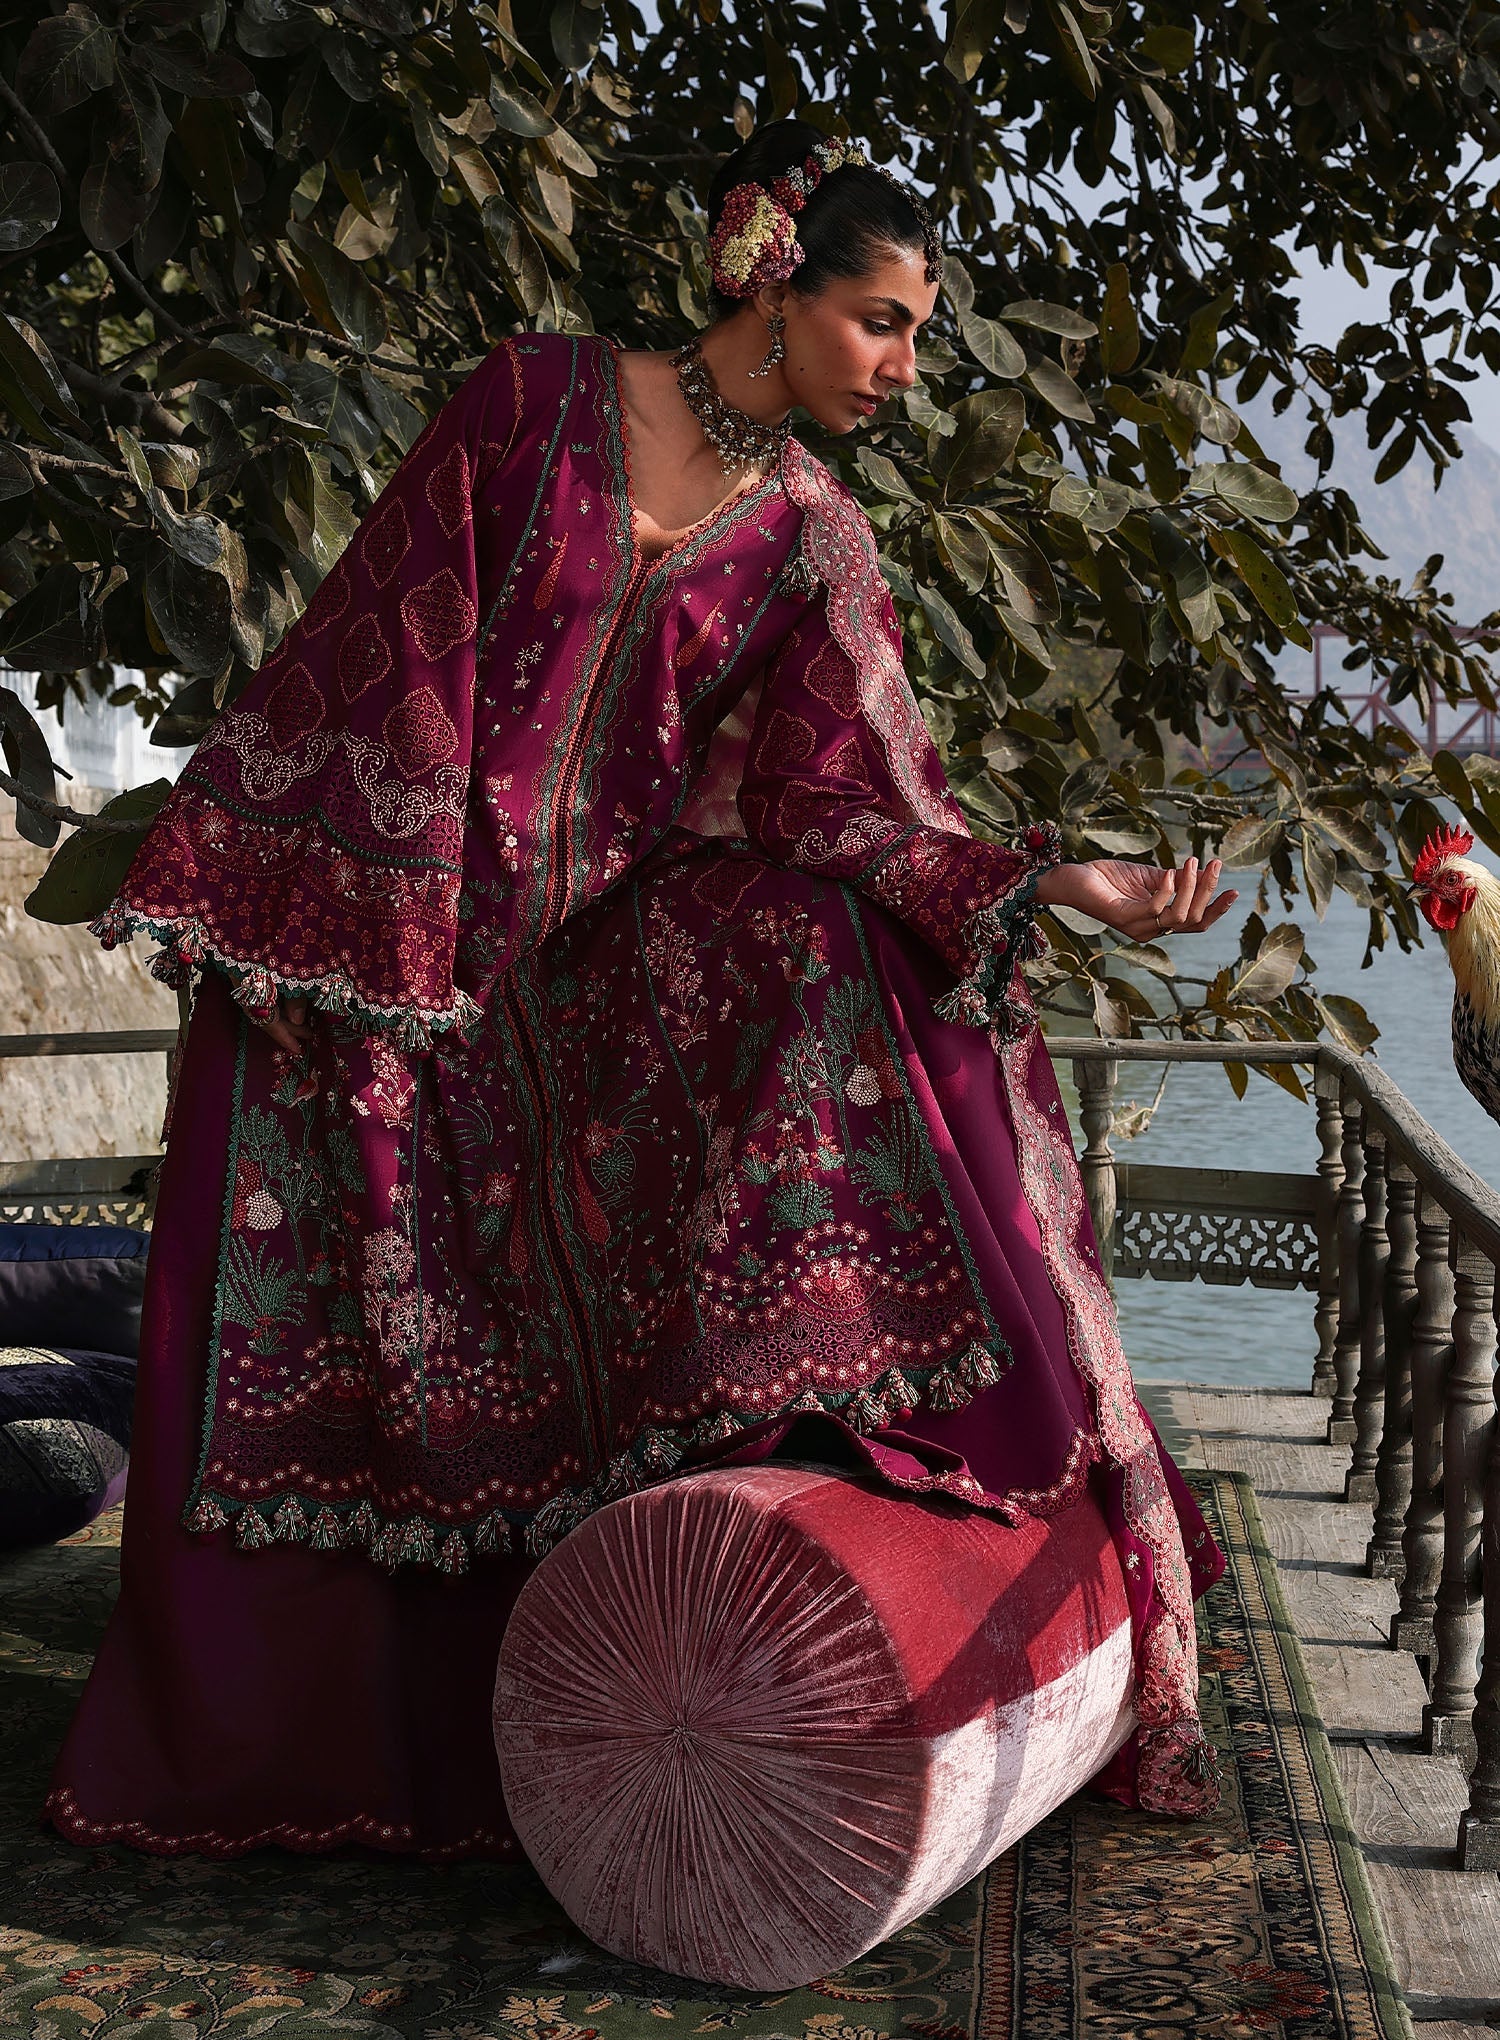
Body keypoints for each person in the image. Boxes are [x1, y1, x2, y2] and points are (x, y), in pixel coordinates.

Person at [43, 119, 1236, 1864]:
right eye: (883, 322)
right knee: (298, 1084)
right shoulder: (533, 403)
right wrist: (382, 953)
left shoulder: (812, 534)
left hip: (590, 969)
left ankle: (787, 1510)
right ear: (774, 285)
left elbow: (838, 804)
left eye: (915, 337)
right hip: (383, 920)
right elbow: (386, 646)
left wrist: (1057, 881)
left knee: (827, 938)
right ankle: (298, 1744)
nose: (904, 370)